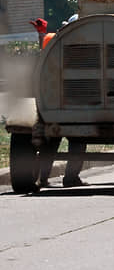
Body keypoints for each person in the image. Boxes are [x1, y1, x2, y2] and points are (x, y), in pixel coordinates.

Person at [30, 17, 87, 188]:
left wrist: (41, 34)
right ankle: (70, 178)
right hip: (74, 101)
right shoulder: (87, 44)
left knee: (51, 140)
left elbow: (43, 57)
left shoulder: (56, 42)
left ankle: (44, 178)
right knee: (77, 140)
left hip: (54, 101)